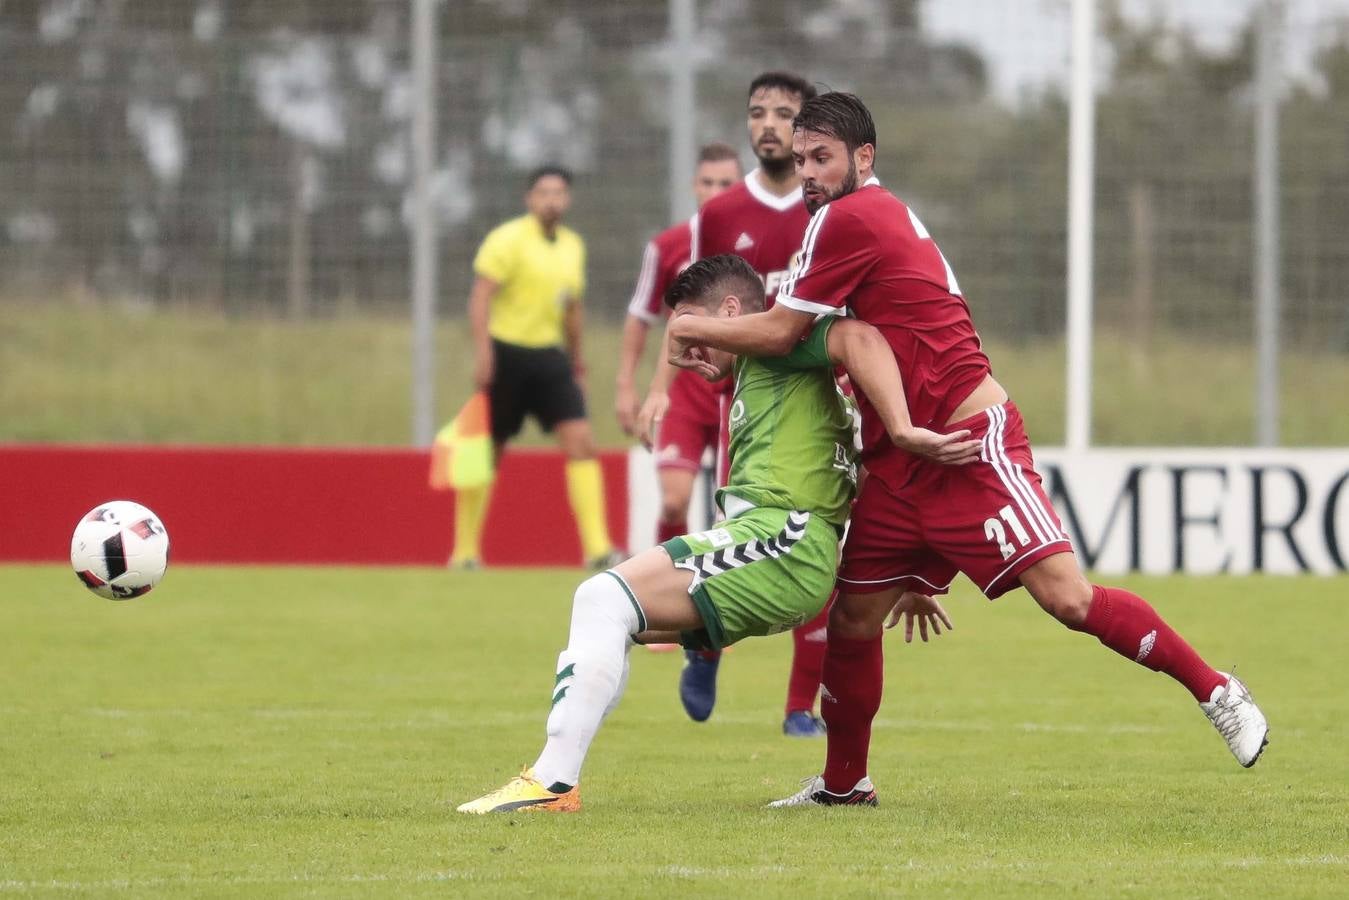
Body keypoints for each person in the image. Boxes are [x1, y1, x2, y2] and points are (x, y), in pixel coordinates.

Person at [668, 92, 1270, 807]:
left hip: (966, 446)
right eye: (799, 160)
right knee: (853, 618)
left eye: (821, 158)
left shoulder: (851, 215)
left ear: (864, 158)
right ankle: (842, 785)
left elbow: (777, 334)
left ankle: (1216, 690)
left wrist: (683, 328)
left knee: (1069, 600)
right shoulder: (839, 221)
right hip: (899, 462)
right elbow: (837, 337)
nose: (807, 173)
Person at [458, 254, 946, 814]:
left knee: (600, 596)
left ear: (732, 314)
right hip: (783, 548)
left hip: (782, 543)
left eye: (693, 325)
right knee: (609, 617)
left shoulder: (781, 347)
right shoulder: (768, 376)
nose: (688, 350)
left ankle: (552, 784)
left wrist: (905, 427)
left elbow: (855, 336)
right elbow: (853, 475)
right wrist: (902, 574)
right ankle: (552, 778)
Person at [636, 71, 832, 736]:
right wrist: (663, 385)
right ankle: (703, 642)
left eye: (784, 113)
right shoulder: (720, 217)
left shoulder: (826, 205)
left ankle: (798, 706)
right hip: (738, 398)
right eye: (757, 113)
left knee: (823, 537)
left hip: (812, 395)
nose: (768, 125)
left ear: (808, 127)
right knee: (738, 534)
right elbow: (690, 309)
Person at [453, 165, 620, 570]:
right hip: (506, 353)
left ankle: (598, 549)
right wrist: (483, 352)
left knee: (581, 441)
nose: (552, 200)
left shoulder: (572, 246)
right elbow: (480, 298)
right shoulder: (506, 240)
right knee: (487, 453)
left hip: (549, 358)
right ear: (529, 199)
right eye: (544, 192)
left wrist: (576, 360)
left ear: (568, 199)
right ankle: (464, 552)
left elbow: (573, 310)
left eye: (559, 192)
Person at [615, 142, 741, 545]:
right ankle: (667, 587)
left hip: (739, 390)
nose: (716, 190)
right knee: (673, 501)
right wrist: (627, 385)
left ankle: (724, 595)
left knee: (733, 512)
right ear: (694, 186)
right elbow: (642, 315)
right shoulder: (668, 247)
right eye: (708, 182)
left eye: (727, 183)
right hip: (683, 392)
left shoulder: (756, 245)